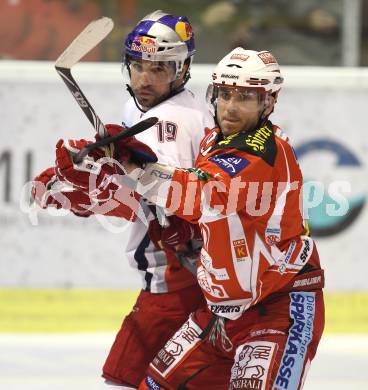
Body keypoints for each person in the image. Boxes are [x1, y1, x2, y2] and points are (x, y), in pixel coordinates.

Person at [32, 10, 232, 390]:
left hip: (176, 278)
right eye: (137, 66)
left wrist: (92, 182)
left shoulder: (170, 121)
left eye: (158, 69)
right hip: (184, 275)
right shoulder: (154, 109)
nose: (144, 78)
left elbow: (161, 189)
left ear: (182, 68)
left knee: (125, 377)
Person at [113, 47, 325, 389]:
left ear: (269, 102)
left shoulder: (262, 151)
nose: (230, 106)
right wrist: (123, 161)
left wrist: (137, 168)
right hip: (221, 311)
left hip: (278, 309)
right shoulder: (215, 140)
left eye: (244, 97)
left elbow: (203, 194)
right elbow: (187, 180)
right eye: (224, 94)